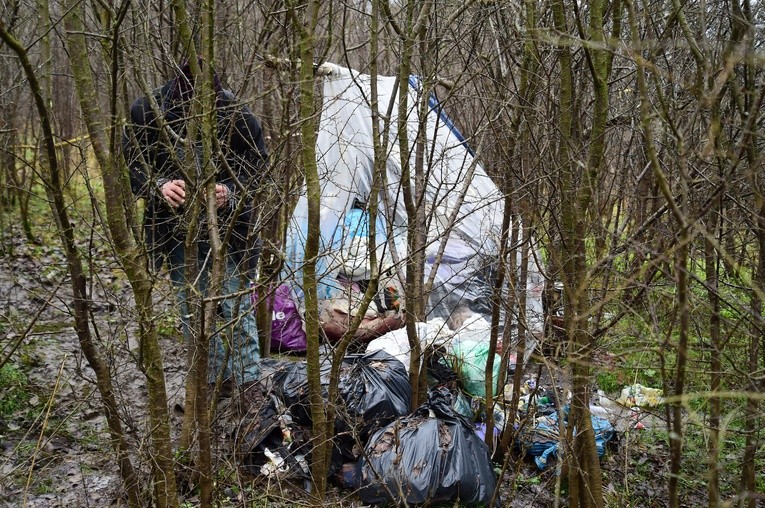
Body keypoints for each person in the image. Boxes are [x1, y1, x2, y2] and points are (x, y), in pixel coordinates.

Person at [123, 60, 267, 405]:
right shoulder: (147, 111)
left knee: (233, 309)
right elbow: (132, 163)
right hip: (173, 231)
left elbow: (258, 168)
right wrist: (158, 187)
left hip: (231, 233)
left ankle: (250, 391)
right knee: (192, 310)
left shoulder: (238, 115)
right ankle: (213, 386)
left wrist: (230, 191)